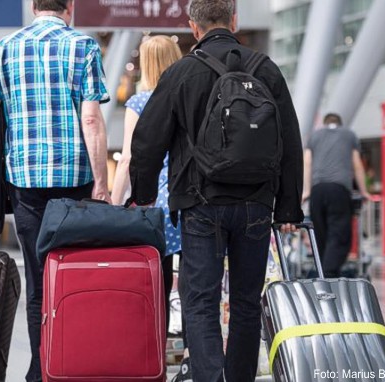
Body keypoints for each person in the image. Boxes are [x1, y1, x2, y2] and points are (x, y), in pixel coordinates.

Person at [127, 1, 304, 381]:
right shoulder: (265, 69)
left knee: (201, 301)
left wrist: (143, 195)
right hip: (256, 203)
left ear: (193, 27)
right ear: (234, 20)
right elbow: (289, 138)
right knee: (245, 302)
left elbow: (147, 141)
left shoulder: (182, 72)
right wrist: (288, 208)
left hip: (199, 202)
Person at [0, 1, 110, 379]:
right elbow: (91, 119)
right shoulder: (84, 46)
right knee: (75, 273)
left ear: (34, 6)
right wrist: (102, 182)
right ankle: (75, 362)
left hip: (25, 180)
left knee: (38, 278)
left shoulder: (7, 46)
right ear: (70, 7)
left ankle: (41, 368)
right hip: (75, 179)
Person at [109, 35, 191, 381]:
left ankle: (155, 354)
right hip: (188, 199)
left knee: (154, 283)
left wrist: (113, 203)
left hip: (153, 205)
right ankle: (191, 354)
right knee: (193, 284)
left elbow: (129, 157)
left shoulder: (140, 101)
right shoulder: (189, 97)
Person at [302, 113, 370, 277]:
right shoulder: (349, 134)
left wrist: (306, 190)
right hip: (339, 190)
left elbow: (307, 162)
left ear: (325, 124)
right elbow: (357, 165)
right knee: (339, 235)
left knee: (321, 234)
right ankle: (329, 274)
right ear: (340, 124)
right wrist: (363, 191)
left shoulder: (314, 136)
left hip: (317, 191)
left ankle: (322, 272)